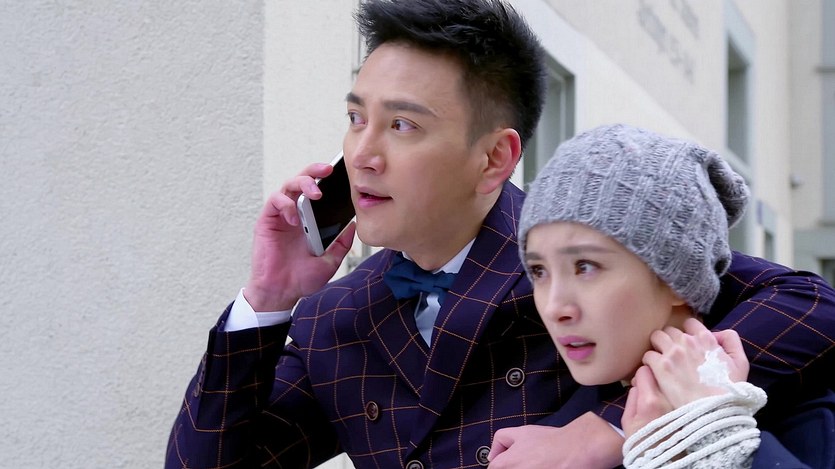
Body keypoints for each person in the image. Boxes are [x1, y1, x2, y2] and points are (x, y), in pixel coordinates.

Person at [165, 1, 835, 468]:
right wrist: (268, 299)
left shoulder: (578, 255)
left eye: (402, 125)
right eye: (355, 117)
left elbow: (810, 306)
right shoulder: (336, 316)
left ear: (494, 158)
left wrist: (604, 431)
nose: (362, 154)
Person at [490, 124, 835, 468]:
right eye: (539, 271)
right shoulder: (550, 438)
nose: (554, 307)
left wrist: (715, 441)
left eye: (586, 267)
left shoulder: (804, 426)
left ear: (676, 277)